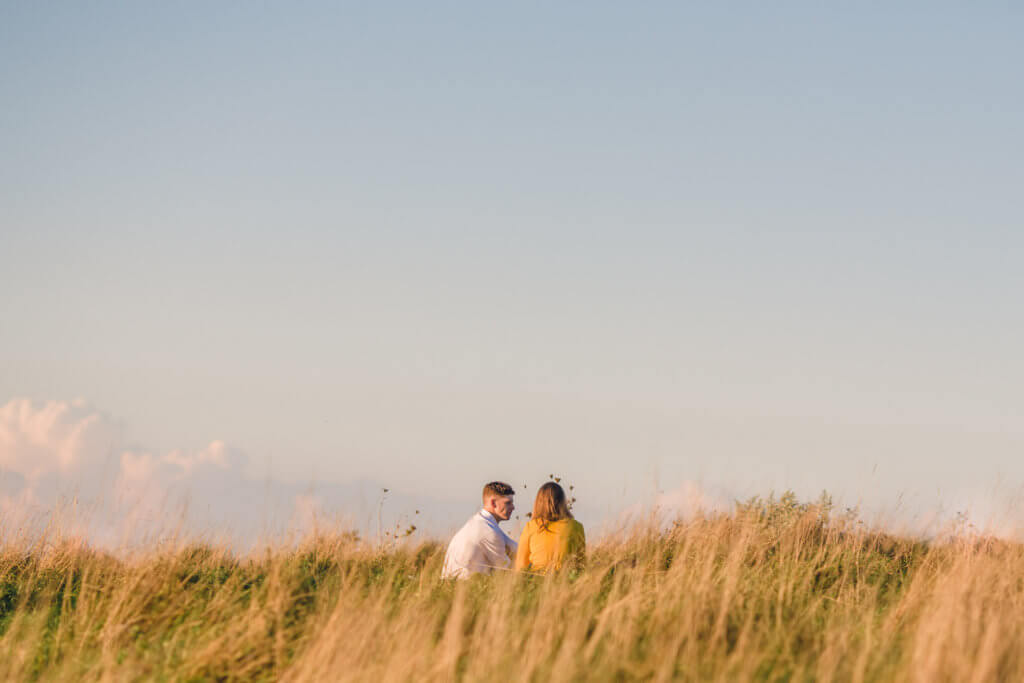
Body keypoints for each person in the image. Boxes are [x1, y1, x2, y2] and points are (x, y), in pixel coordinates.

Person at [441, 481, 518, 579]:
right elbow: (507, 570)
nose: (513, 507)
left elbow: (515, 548)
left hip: (455, 584)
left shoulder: (482, 522)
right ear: (493, 503)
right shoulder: (488, 530)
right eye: (508, 503)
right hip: (463, 587)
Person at [515, 481, 585, 573]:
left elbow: (521, 566)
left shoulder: (531, 526)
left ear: (538, 502)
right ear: (563, 502)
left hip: (537, 579)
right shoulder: (576, 526)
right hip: (565, 579)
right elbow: (580, 563)